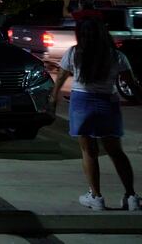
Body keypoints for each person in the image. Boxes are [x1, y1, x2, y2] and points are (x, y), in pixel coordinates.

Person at [49, 13, 141, 210]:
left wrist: (53, 99)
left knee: (89, 151)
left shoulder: (74, 53)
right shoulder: (116, 55)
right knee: (116, 151)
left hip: (82, 101)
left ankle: (96, 197)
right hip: (108, 102)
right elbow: (131, 84)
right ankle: (131, 196)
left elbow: (60, 78)